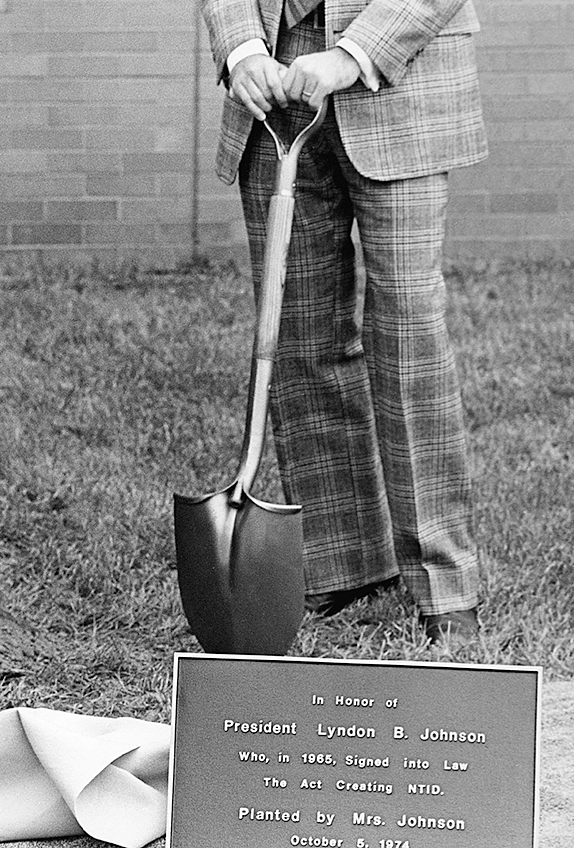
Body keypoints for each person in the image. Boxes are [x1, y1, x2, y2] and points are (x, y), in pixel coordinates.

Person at [200, 0, 487, 646]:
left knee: (407, 335)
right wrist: (241, 49)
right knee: (301, 331)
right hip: (273, 83)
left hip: (402, 77)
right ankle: (344, 559)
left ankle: (445, 583)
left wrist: (353, 54)